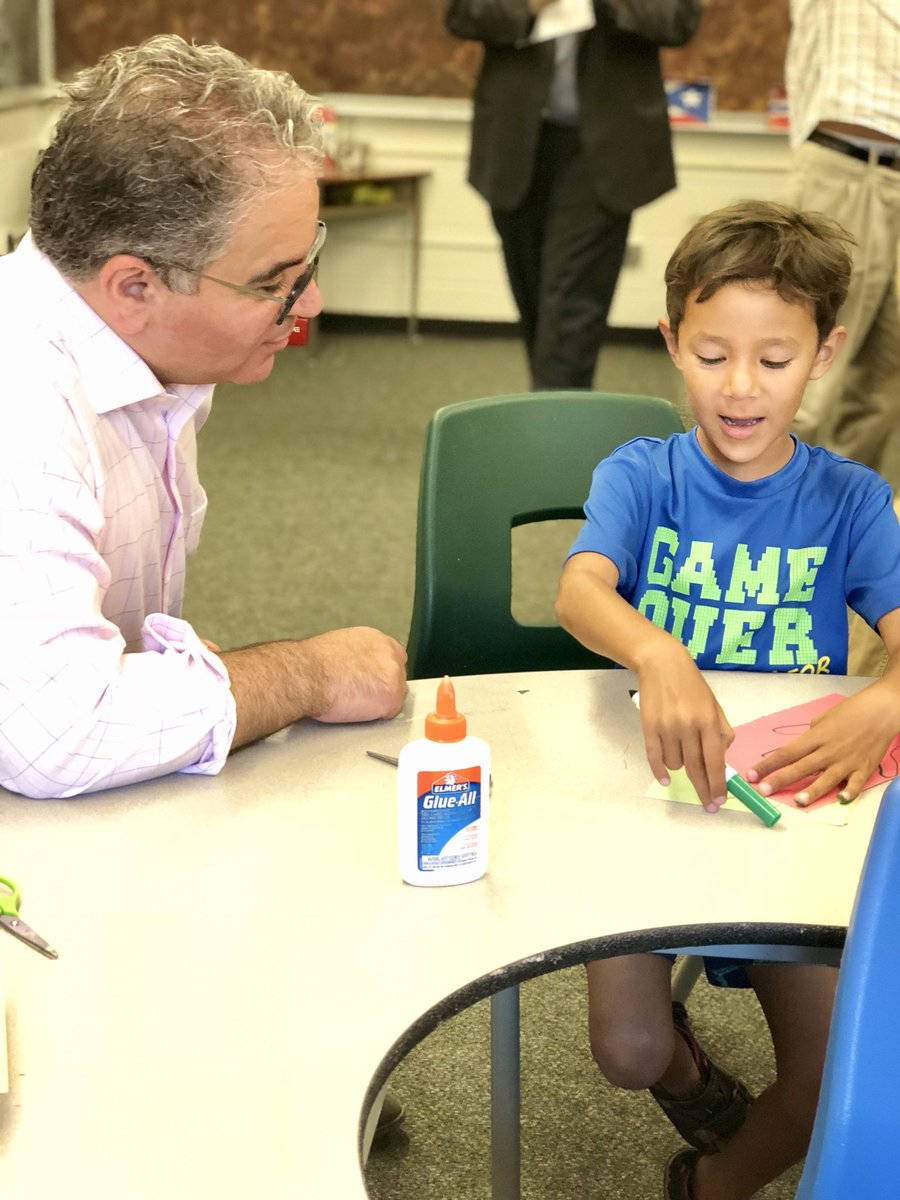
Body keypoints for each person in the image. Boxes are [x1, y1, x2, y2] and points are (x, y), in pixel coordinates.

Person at [556, 201, 900, 1198]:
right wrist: (657, 653)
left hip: (786, 817)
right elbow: (579, 590)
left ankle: (707, 1186)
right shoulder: (642, 474)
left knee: (838, 1084)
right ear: (671, 342)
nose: (741, 387)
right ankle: (689, 1072)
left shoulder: (852, 500)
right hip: (651, 802)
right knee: (628, 1051)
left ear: (824, 353)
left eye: (774, 360)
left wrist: (888, 698)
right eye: (711, 356)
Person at [0, 35, 408, 801]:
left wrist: (176, 688)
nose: (311, 304)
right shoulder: (20, 406)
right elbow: (59, 733)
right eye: (274, 282)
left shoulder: (146, 354)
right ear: (134, 287)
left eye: (309, 263)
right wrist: (308, 675)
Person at [444, 0, 701, 390]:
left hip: (601, 154)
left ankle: (553, 421)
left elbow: (676, 20)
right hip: (512, 146)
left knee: (570, 316)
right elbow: (463, 14)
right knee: (539, 311)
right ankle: (553, 407)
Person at [785, 0, 900, 473]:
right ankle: (765, 505)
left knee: (886, 383)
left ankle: (847, 507)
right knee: (808, 360)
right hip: (845, 166)